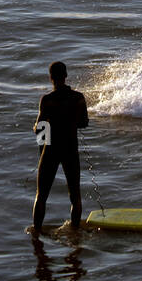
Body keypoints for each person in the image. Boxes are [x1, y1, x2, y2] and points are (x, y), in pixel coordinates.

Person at [30, 61, 88, 232]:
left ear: (51, 78)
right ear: (66, 75)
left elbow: (40, 127)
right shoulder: (78, 98)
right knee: (75, 195)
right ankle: (75, 233)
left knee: (41, 195)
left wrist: (42, 148)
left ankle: (37, 234)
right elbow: (84, 123)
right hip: (70, 148)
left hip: (51, 150)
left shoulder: (47, 100)